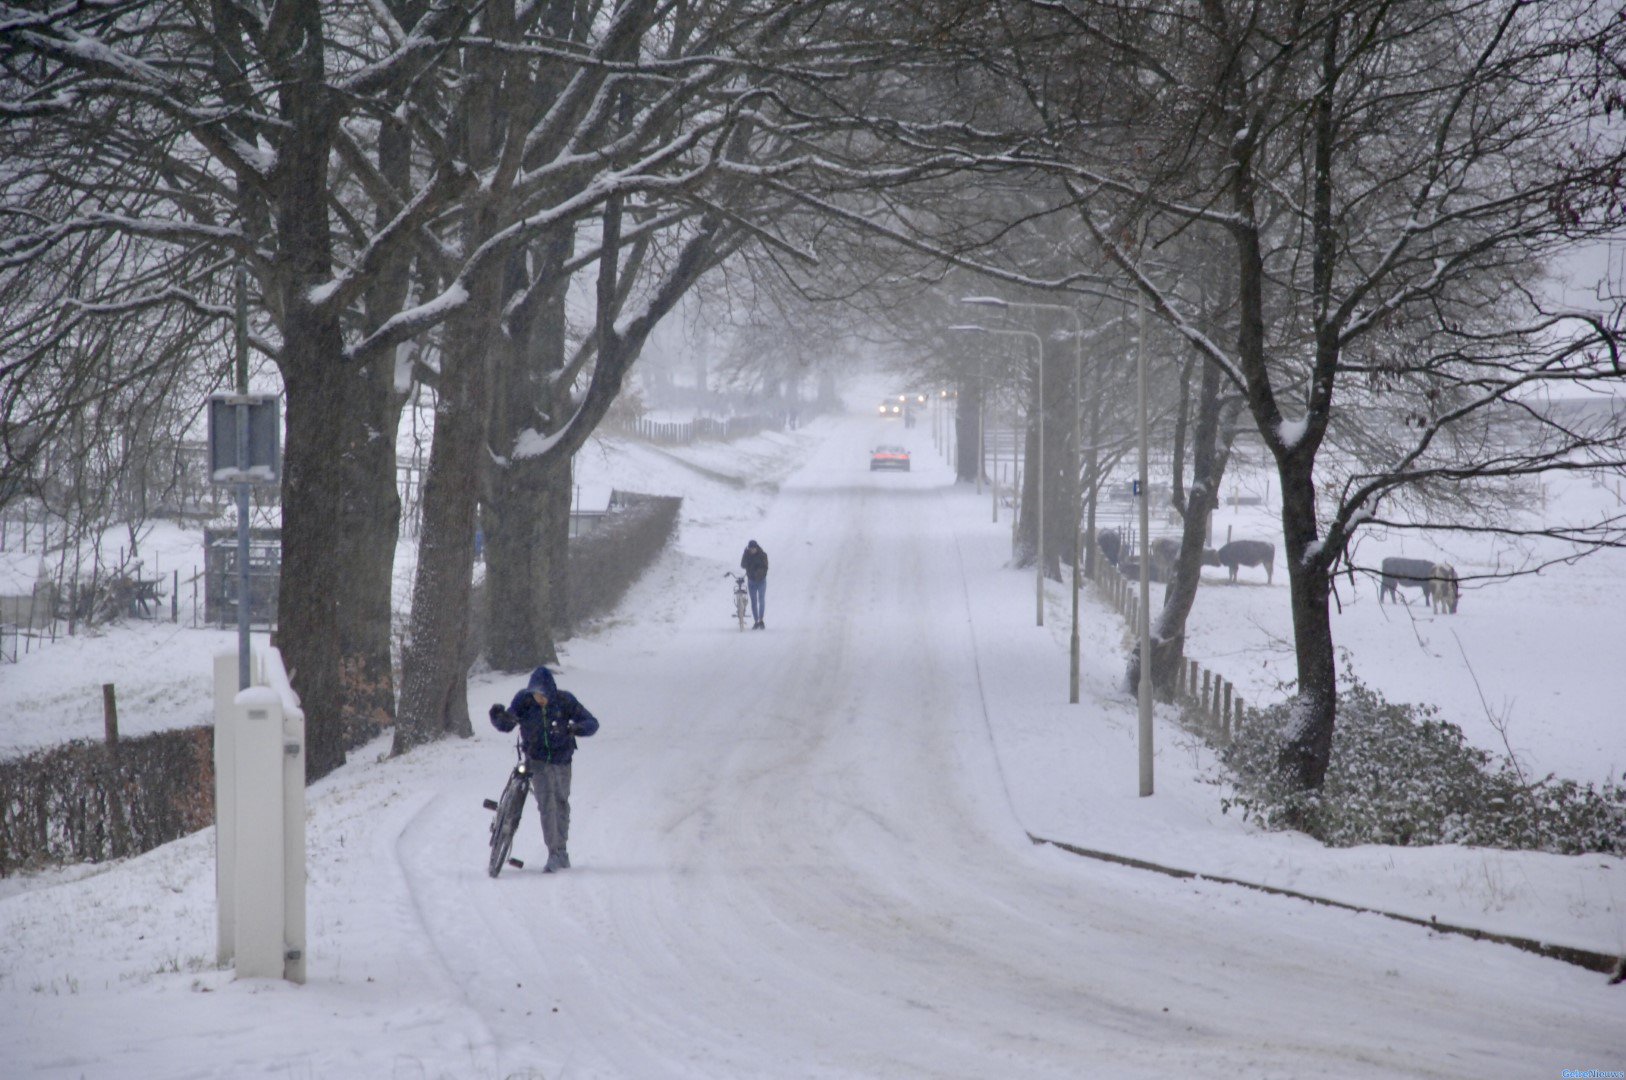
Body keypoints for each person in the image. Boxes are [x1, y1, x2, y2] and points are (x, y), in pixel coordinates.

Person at [488, 666, 600, 872]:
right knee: (547, 803)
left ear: (550, 692)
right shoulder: (524, 701)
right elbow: (508, 723)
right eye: (535, 694)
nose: (539, 699)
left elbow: (592, 723)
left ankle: (561, 851)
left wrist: (573, 728)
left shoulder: (565, 701)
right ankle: (554, 853)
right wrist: (498, 716)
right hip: (536, 758)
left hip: (562, 759)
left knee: (560, 802)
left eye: (542, 695)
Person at [740, 539, 769, 629]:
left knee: (761, 600)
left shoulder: (763, 555)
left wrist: (759, 573)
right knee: (753, 602)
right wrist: (745, 555)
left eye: (753, 548)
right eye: (750, 549)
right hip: (751, 581)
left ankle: (761, 620)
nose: (752, 550)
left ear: (756, 548)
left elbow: (766, 567)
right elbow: (742, 565)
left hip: (761, 581)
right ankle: (756, 621)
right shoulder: (747, 555)